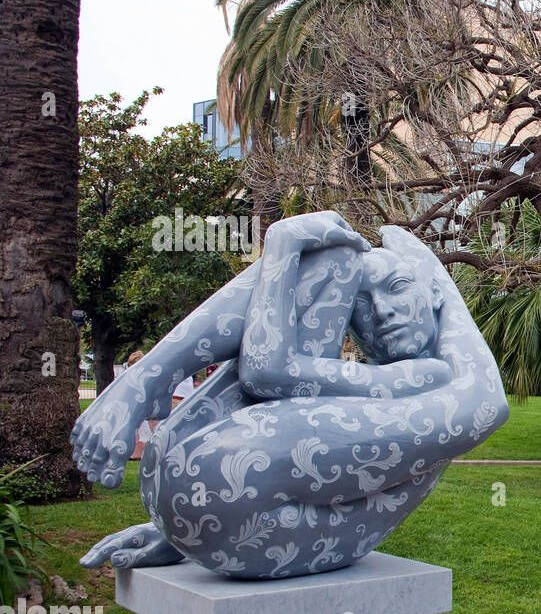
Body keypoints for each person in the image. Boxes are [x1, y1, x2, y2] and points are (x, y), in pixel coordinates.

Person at [74, 213, 509, 579]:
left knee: (330, 253)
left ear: (433, 291)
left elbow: (268, 371)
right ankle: (147, 380)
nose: (381, 311)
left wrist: (282, 243)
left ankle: (146, 379)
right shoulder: (380, 387)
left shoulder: (434, 381)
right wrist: (180, 530)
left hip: (247, 524)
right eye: (360, 302)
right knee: (335, 256)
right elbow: (270, 375)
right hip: (237, 518)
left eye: (396, 286)